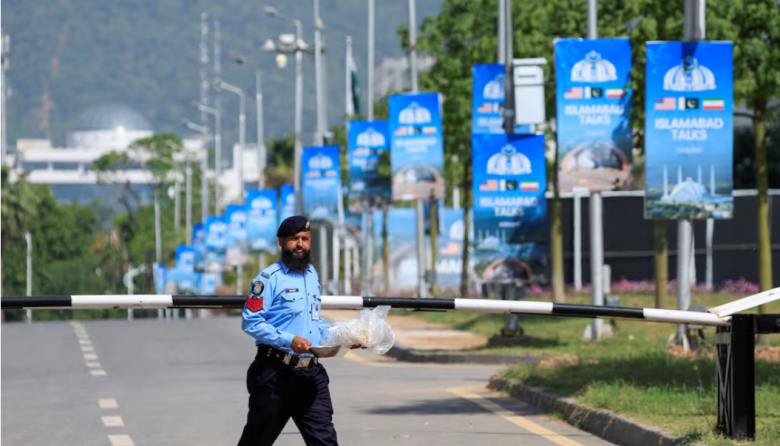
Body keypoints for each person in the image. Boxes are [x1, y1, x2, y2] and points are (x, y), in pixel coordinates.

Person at [237, 215, 339, 446]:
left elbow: (314, 319)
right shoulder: (268, 278)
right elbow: (251, 321)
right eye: (294, 239)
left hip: (310, 375)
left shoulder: (312, 275)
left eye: (305, 238)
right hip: (275, 374)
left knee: (326, 442)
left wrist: (341, 334)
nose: (300, 244)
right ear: (281, 242)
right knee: (256, 441)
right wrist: (289, 340)